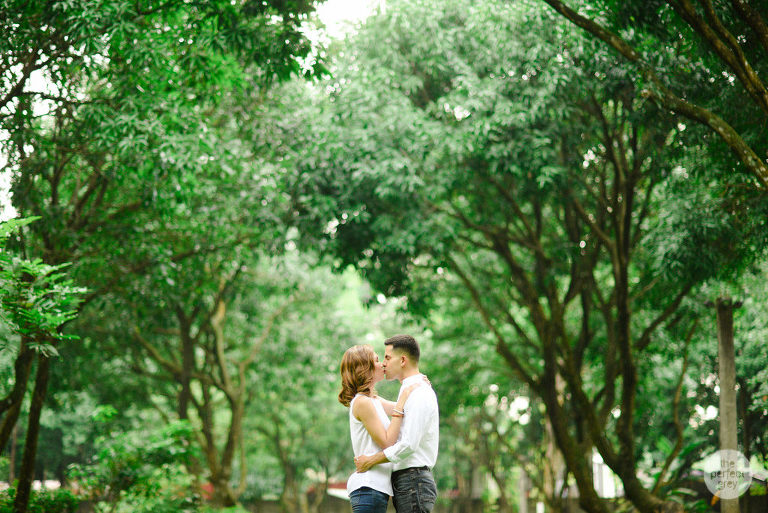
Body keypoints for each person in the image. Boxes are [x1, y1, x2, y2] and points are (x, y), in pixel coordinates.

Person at [354, 334, 439, 513]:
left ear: (402, 360)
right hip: (407, 481)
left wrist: (371, 460)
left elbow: (408, 444)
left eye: (387, 357)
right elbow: (375, 402)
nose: (384, 363)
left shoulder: (418, 392)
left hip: (414, 480)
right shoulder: (409, 390)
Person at [339, 344, 420, 513]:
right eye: (377, 360)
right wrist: (404, 394)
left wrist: (417, 382)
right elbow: (387, 442)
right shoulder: (362, 402)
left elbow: (404, 409)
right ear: (364, 368)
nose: (383, 364)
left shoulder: (374, 400)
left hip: (376, 489)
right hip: (368, 487)